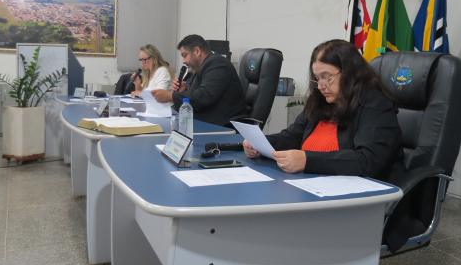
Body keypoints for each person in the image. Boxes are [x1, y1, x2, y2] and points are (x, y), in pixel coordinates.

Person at [243, 39, 406, 182]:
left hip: (363, 194)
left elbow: (367, 161)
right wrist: (261, 144)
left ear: (351, 73)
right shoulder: (321, 101)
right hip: (313, 184)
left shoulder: (375, 104)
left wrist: (307, 161)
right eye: (317, 79)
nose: (321, 86)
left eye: (327, 77)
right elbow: (294, 136)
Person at [151, 34, 246, 127]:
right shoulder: (202, 67)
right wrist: (185, 89)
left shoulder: (217, 63)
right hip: (205, 121)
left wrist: (171, 96)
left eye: (185, 56)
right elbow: (199, 92)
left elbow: (205, 96)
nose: (183, 61)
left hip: (221, 125)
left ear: (197, 51)